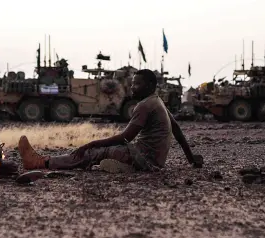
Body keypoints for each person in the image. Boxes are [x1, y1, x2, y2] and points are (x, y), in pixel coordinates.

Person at [17, 69, 201, 173]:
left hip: (143, 159)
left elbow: (125, 137)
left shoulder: (145, 105)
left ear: (150, 86)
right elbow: (176, 128)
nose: (132, 87)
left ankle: (42, 163)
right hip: (153, 159)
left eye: (137, 84)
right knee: (98, 152)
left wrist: (91, 144)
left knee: (93, 153)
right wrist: (191, 158)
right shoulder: (156, 100)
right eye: (132, 83)